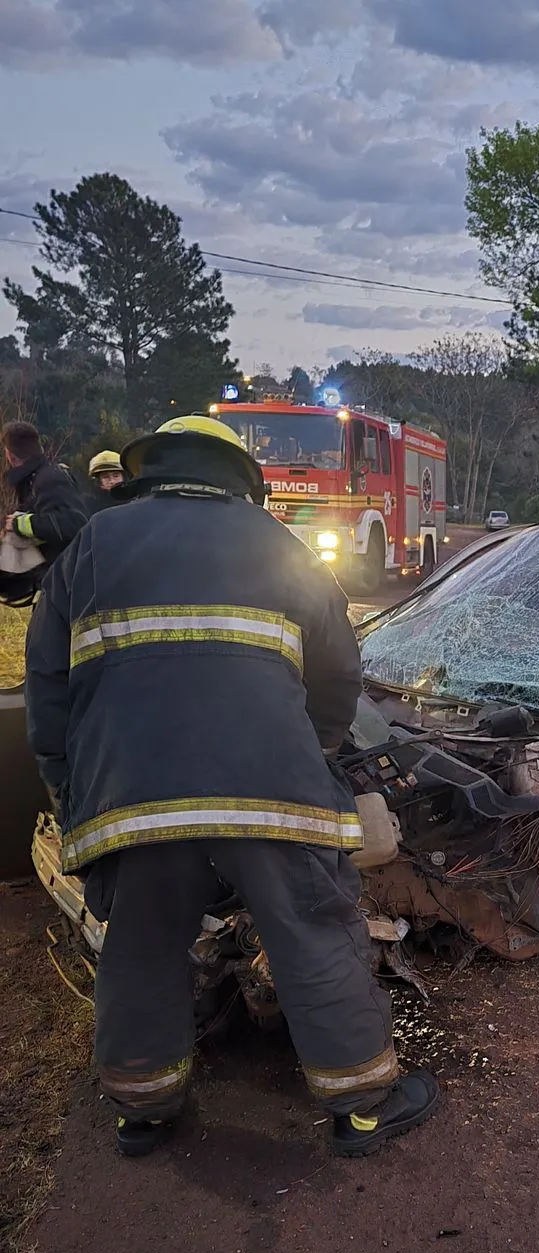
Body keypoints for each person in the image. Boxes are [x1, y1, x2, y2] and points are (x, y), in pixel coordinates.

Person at [24, 413, 439, 1158]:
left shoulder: (91, 546)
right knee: (311, 927)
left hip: (130, 793)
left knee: (143, 944)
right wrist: (309, 748)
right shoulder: (280, 546)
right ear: (239, 479)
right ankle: (363, 1107)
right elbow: (338, 672)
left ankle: (142, 1112)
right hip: (269, 785)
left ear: (148, 470)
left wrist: (75, 794)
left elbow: (49, 697)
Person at [1, 421, 88, 601]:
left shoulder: (48, 478)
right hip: (53, 582)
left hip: (66, 583)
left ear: (9, 454)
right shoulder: (34, 479)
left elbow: (73, 522)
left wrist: (19, 524)